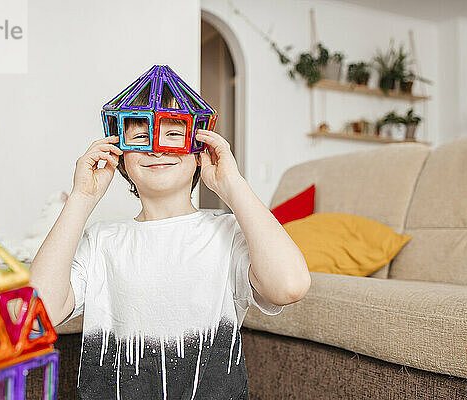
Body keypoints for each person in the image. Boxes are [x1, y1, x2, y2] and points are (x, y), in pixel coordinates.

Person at [29, 96, 310, 399]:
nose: (157, 146)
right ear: (122, 158)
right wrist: (82, 197)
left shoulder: (228, 234)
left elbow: (290, 285)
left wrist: (232, 183)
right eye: (141, 136)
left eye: (173, 134)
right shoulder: (101, 241)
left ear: (199, 153)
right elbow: (35, 313)